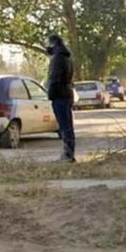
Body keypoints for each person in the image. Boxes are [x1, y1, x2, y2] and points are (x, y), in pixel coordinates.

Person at [45, 33, 76, 163]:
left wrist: (50, 94)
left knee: (64, 126)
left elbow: (54, 78)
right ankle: (68, 153)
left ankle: (68, 155)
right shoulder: (67, 57)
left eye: (47, 43)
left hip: (60, 94)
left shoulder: (58, 58)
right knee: (67, 125)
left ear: (53, 43)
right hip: (67, 93)